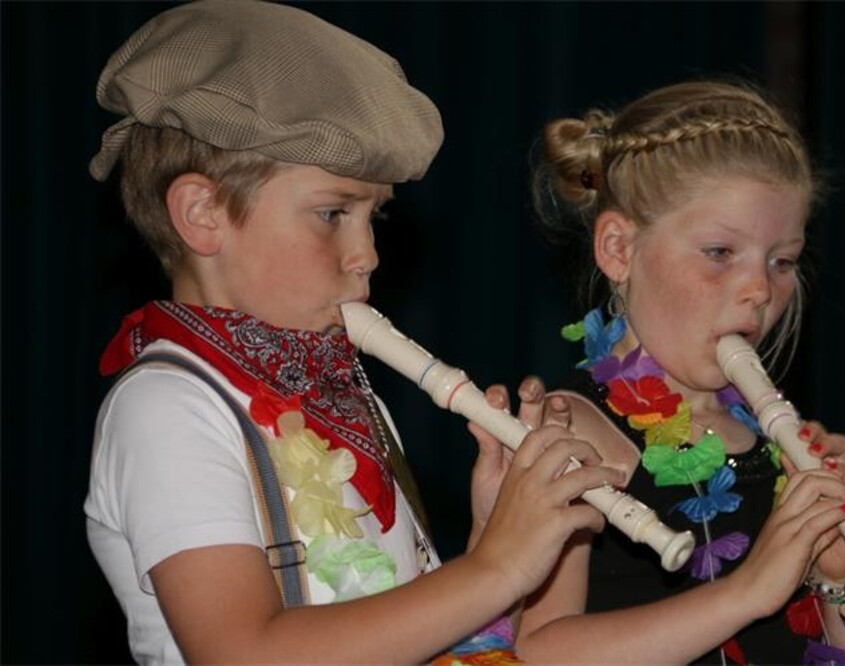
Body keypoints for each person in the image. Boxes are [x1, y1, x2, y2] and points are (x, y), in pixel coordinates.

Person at [82, 2, 623, 664]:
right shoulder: (168, 407)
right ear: (203, 213)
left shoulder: (343, 391)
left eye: (375, 218)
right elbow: (242, 653)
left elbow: (399, 633)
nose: (366, 254)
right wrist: (498, 567)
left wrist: (494, 532)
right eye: (333, 213)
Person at [513, 80, 845, 664]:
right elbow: (538, 652)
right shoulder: (571, 431)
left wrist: (839, 578)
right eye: (721, 253)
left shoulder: (777, 443)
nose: (760, 290)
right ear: (619, 250)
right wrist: (748, 590)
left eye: (782, 261)